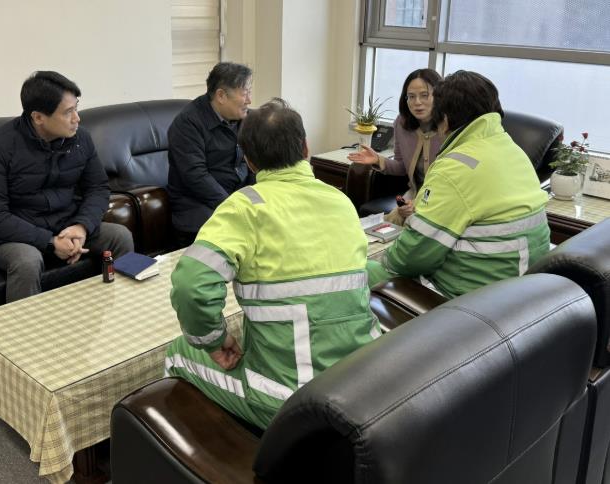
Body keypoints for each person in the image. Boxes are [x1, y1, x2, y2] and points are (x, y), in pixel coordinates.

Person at [165, 99, 381, 429]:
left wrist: (215, 341)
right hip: (362, 381)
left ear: (249, 161)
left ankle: (222, 452)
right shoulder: (340, 201)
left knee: (178, 351)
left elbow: (190, 285)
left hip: (293, 397)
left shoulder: (243, 207)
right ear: (305, 147)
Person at [367, 70, 550, 298]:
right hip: (522, 285)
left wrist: (382, 261)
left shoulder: (455, 168)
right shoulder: (513, 151)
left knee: (361, 270)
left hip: (469, 295)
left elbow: (413, 257)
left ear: (444, 118)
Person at [0, 71, 134, 303]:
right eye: (68, 112)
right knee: (27, 261)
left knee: (120, 236)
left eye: (76, 108)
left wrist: (82, 226)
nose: (77, 118)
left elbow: (97, 187)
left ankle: (123, 309)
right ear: (38, 117)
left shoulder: (81, 139)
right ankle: (23, 326)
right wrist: (50, 242)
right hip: (14, 236)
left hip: (66, 225)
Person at [167, 62, 256, 247]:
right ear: (221, 96)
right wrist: (233, 206)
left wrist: (258, 197)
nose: (249, 100)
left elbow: (255, 162)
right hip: (197, 203)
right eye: (244, 93)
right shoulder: (187, 124)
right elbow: (195, 176)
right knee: (231, 235)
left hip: (236, 196)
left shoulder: (244, 118)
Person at [347, 68, 444, 224]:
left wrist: (418, 204)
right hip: (414, 194)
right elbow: (401, 166)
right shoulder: (402, 123)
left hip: (442, 199)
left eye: (424, 95)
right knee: (384, 225)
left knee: (412, 224)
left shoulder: (450, 127)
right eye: (411, 96)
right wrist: (377, 159)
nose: (417, 102)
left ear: (439, 96)